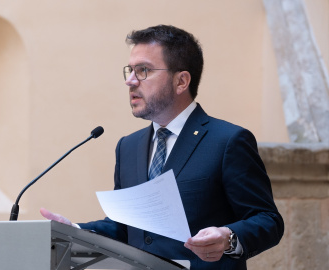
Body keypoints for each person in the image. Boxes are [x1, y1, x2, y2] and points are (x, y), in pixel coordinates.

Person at [40, 25, 284, 269]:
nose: (130, 81)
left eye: (143, 70)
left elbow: (268, 220)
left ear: (181, 81)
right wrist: (74, 231)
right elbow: (125, 228)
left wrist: (229, 238)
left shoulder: (227, 141)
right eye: (130, 70)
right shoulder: (128, 147)